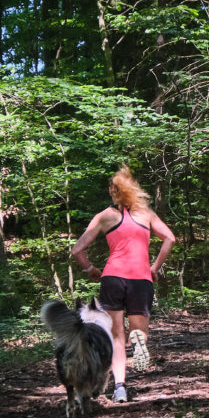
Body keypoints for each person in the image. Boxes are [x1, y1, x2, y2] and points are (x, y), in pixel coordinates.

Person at [72, 165, 175, 402]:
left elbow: (77, 250)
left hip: (113, 278)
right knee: (137, 331)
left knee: (116, 337)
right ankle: (138, 341)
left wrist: (90, 269)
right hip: (141, 279)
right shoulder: (146, 214)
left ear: (112, 191)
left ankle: (120, 388)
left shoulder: (104, 216)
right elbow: (170, 238)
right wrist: (154, 268)